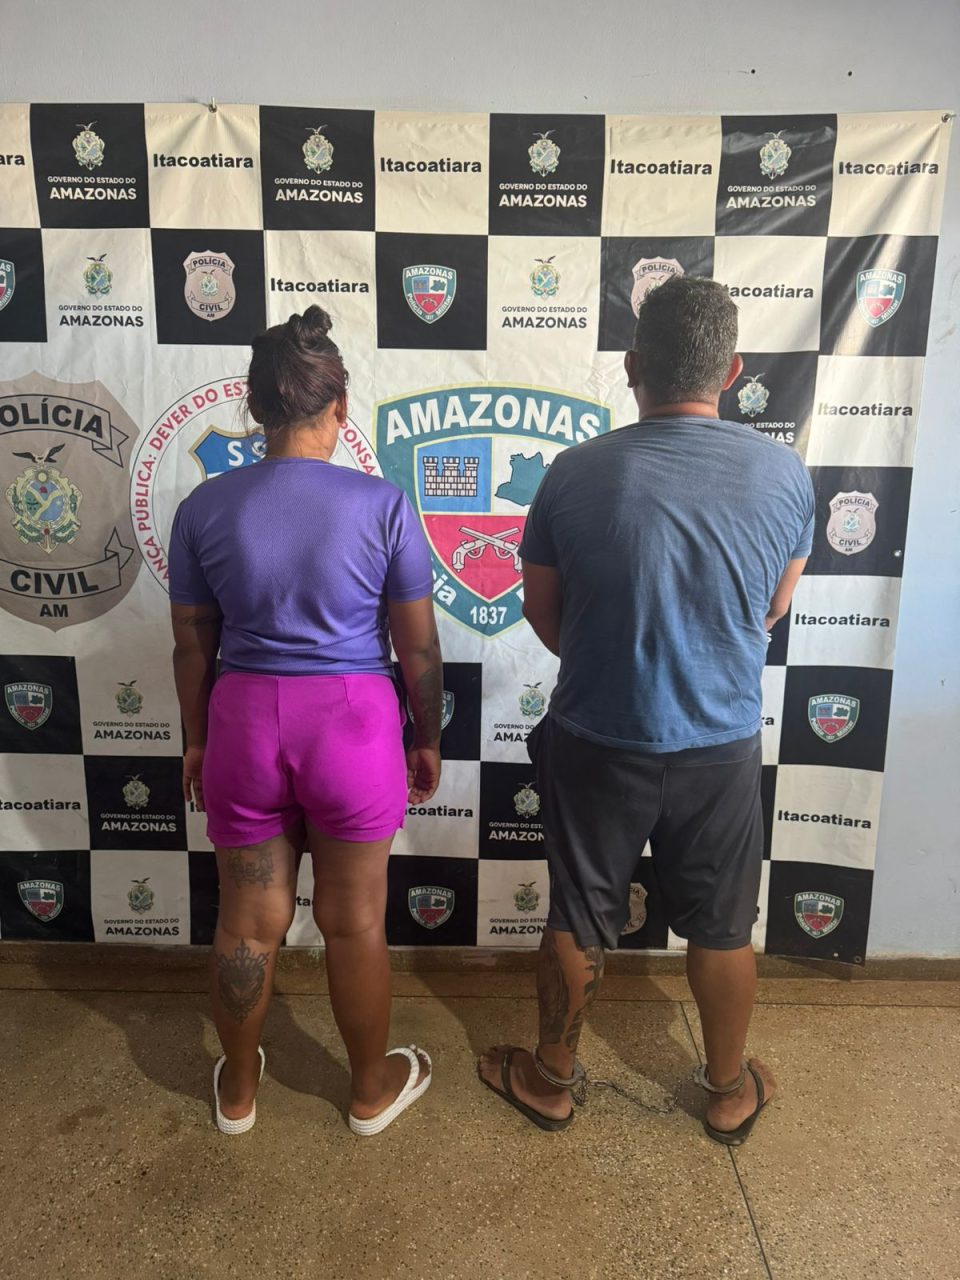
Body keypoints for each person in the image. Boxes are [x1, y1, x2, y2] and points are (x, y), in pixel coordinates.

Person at [479, 276, 815, 1145]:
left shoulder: (573, 473)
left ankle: (551, 1081)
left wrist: (612, 663)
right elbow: (773, 608)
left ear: (632, 367)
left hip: (598, 734)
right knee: (724, 927)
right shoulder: (785, 474)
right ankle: (729, 1089)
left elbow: (543, 613)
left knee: (577, 914)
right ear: (732, 371)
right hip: (721, 742)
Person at [169, 306, 443, 1137]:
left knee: (247, 920)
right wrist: (427, 737)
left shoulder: (203, 508)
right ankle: (368, 1092)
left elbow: (192, 645)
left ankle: (238, 1094)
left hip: (244, 725)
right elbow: (418, 649)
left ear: (255, 408)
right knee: (354, 921)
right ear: (341, 407)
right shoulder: (384, 505)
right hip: (354, 729)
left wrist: (196, 739)